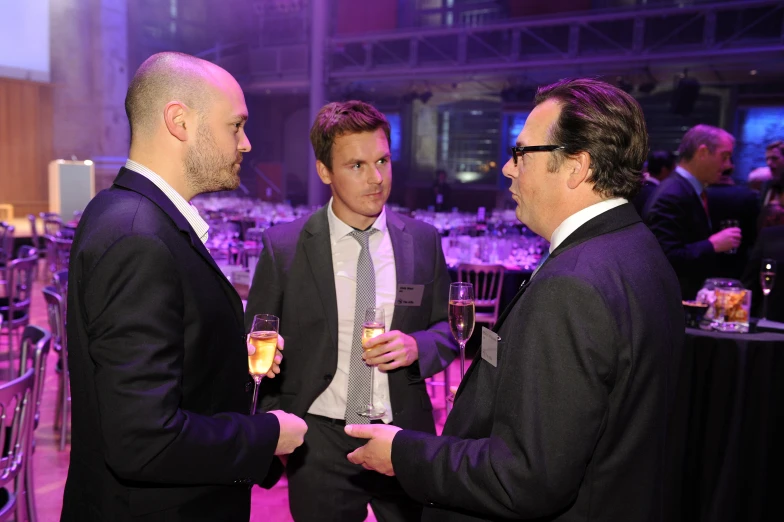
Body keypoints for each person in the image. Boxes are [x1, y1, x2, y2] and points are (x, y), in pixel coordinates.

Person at [344, 78, 684, 521]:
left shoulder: (574, 284)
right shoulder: (637, 248)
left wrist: (404, 453)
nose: (508, 168)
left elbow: (526, 478)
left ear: (576, 166)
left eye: (522, 153)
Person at [62, 52, 307, 521]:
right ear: (179, 122)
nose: (247, 142)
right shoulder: (138, 235)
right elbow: (142, 441)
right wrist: (268, 435)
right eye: (236, 126)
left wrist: (227, 354)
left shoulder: (122, 210)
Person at [244, 100, 458, 522]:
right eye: (357, 165)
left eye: (382, 161)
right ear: (325, 171)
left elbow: (450, 330)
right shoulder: (284, 247)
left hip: (402, 433)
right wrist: (271, 413)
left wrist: (418, 345)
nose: (376, 178)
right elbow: (255, 335)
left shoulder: (422, 240)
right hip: (320, 438)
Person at [644, 124, 741, 300]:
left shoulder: (685, 189)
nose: (727, 165)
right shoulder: (673, 193)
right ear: (702, 153)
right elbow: (665, 258)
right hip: (672, 304)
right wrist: (712, 244)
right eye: (724, 157)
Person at [706, 168, 760, 279]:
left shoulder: (701, 195)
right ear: (732, 169)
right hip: (740, 265)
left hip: (705, 263)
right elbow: (754, 235)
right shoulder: (749, 196)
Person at [632, 150, 674, 215]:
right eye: (672, 170)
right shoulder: (660, 195)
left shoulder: (634, 189)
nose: (673, 174)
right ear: (664, 170)